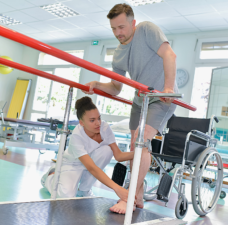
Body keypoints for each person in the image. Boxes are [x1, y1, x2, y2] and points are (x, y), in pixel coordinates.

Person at [83, 3, 178, 214]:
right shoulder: (118, 53)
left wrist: (168, 89)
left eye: (122, 27)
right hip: (140, 101)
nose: (119, 33)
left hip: (160, 99)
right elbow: (116, 88)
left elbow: (170, 55)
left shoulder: (146, 30)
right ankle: (139, 194)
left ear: (133, 23)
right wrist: (98, 85)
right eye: (114, 29)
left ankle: (129, 196)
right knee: (137, 146)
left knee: (141, 141)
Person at [41, 96, 134, 201]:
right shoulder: (77, 136)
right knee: (66, 196)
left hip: (91, 162)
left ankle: (84, 190)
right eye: (92, 120)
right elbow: (92, 168)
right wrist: (117, 188)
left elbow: (118, 155)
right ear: (81, 122)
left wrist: (140, 152)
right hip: (72, 164)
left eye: (99, 118)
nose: (98, 123)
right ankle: (49, 178)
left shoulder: (104, 128)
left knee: (107, 150)